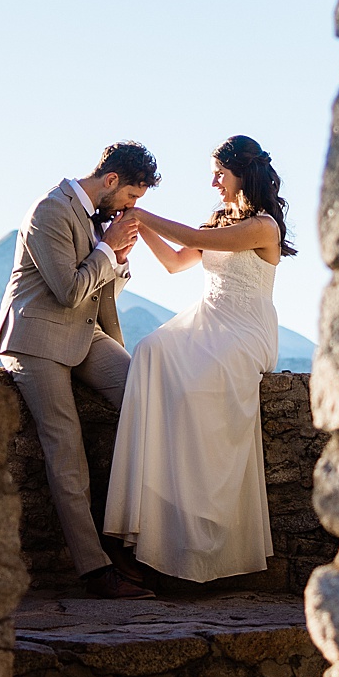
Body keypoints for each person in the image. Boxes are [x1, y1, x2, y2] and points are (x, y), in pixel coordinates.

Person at [102, 135, 296, 584]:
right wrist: (139, 227)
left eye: (219, 174)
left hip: (245, 329)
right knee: (149, 351)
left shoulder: (264, 226)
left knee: (195, 388)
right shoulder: (219, 220)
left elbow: (189, 238)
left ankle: (200, 535)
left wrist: (142, 212)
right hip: (207, 320)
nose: (214, 183)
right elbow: (174, 262)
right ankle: (149, 528)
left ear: (241, 174)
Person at [0, 141, 160, 599]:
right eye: (131, 198)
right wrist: (107, 249)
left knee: (146, 397)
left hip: (85, 333)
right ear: (110, 181)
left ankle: (128, 536)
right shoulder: (50, 210)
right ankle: (94, 569)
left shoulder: (95, 217)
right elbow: (68, 290)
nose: (130, 209)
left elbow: (97, 293)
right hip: (36, 336)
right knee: (65, 447)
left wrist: (119, 259)